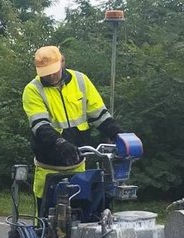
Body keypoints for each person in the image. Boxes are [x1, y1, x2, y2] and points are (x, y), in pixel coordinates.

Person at [22, 45, 125, 213]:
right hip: (48, 169)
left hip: (78, 165)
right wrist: (60, 142)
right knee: (46, 222)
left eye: (54, 70)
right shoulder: (33, 90)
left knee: (84, 217)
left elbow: (99, 115)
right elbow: (40, 126)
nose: (51, 75)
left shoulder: (81, 81)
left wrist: (118, 134)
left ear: (62, 61)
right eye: (45, 72)